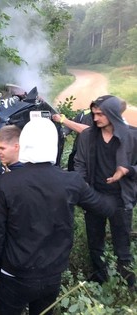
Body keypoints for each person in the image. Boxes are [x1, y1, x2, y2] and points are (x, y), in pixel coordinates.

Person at [0, 117, 116, 315]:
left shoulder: (5, 184)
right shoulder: (71, 182)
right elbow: (104, 207)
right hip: (52, 275)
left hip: (14, 275)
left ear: (25, 145)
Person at [74, 95, 137, 288]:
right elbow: (79, 163)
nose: (95, 119)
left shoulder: (132, 136)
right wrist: (84, 190)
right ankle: (100, 279)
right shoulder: (87, 136)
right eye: (94, 114)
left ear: (113, 113)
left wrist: (128, 170)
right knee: (95, 244)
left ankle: (128, 283)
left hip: (120, 199)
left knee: (122, 247)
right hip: (94, 197)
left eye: (100, 114)